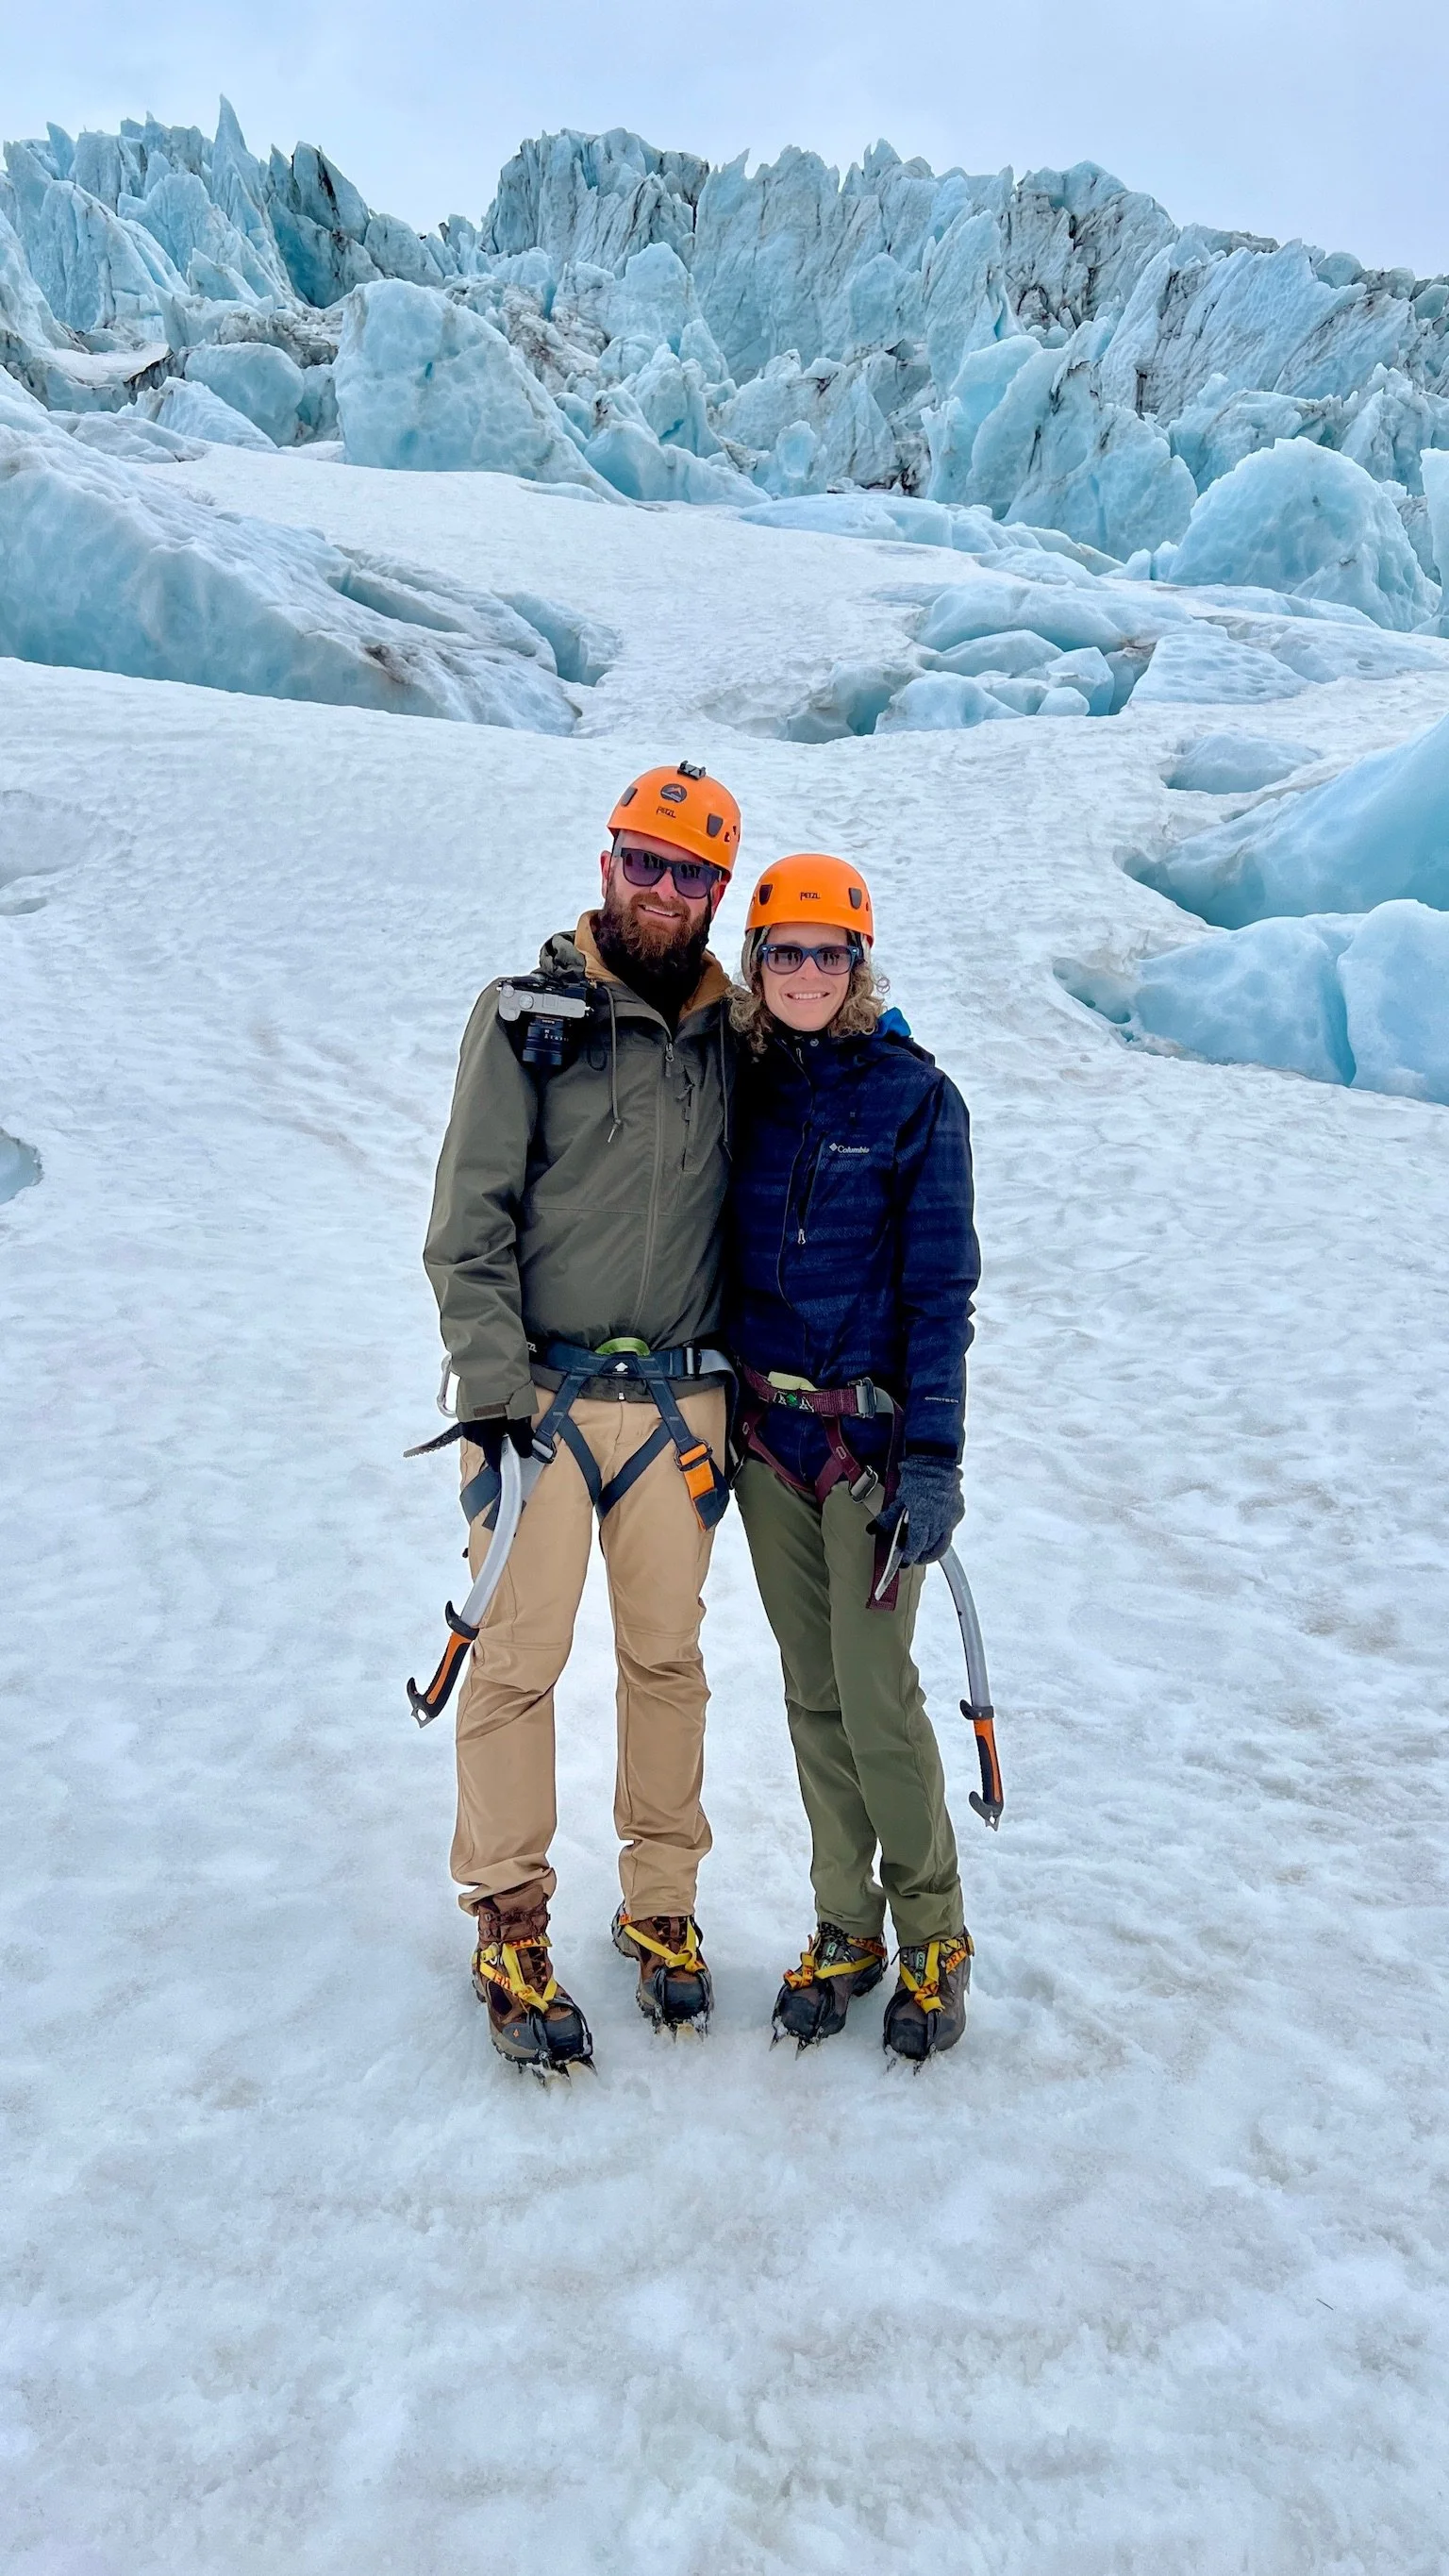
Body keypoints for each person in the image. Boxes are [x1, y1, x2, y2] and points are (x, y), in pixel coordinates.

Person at [423, 762, 741, 2074]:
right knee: (515, 1662)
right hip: (541, 1401)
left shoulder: (740, 1036)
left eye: (691, 873)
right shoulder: (525, 1017)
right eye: (644, 861)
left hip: (684, 1403)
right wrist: (492, 1396)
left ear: (718, 891)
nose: (664, 890)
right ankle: (511, 1918)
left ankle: (660, 1904)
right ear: (608, 862)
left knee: (667, 1663)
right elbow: (467, 1226)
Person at [725, 854, 981, 2063]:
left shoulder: (915, 1098)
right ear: (757, 960)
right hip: (768, 1439)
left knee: (876, 1694)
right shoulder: (741, 1084)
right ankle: (846, 1926)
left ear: (859, 962)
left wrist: (934, 1454)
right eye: (788, 951)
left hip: (872, 1450)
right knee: (811, 1692)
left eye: (832, 953)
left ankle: (934, 1934)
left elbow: (941, 1290)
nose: (810, 973)